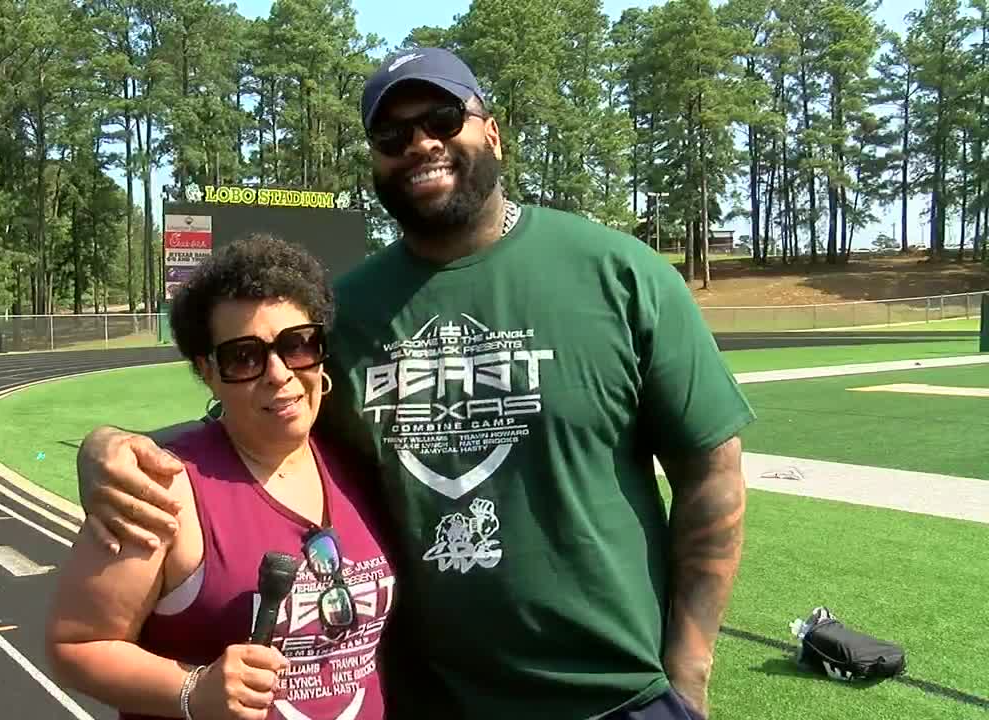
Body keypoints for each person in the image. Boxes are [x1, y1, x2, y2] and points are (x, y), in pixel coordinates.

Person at [74, 47, 754, 720]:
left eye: (442, 117)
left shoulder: (622, 275)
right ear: (375, 159)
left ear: (492, 129)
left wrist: (687, 674)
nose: (421, 143)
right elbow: (248, 421)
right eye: (392, 135)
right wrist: (103, 446)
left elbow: (712, 473)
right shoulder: (344, 315)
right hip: (431, 702)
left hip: (617, 699)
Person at [46, 235, 395, 720]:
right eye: (244, 357)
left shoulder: (356, 462)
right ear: (206, 371)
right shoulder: (162, 488)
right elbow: (77, 642)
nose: (278, 373)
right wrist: (192, 690)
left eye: (297, 345)